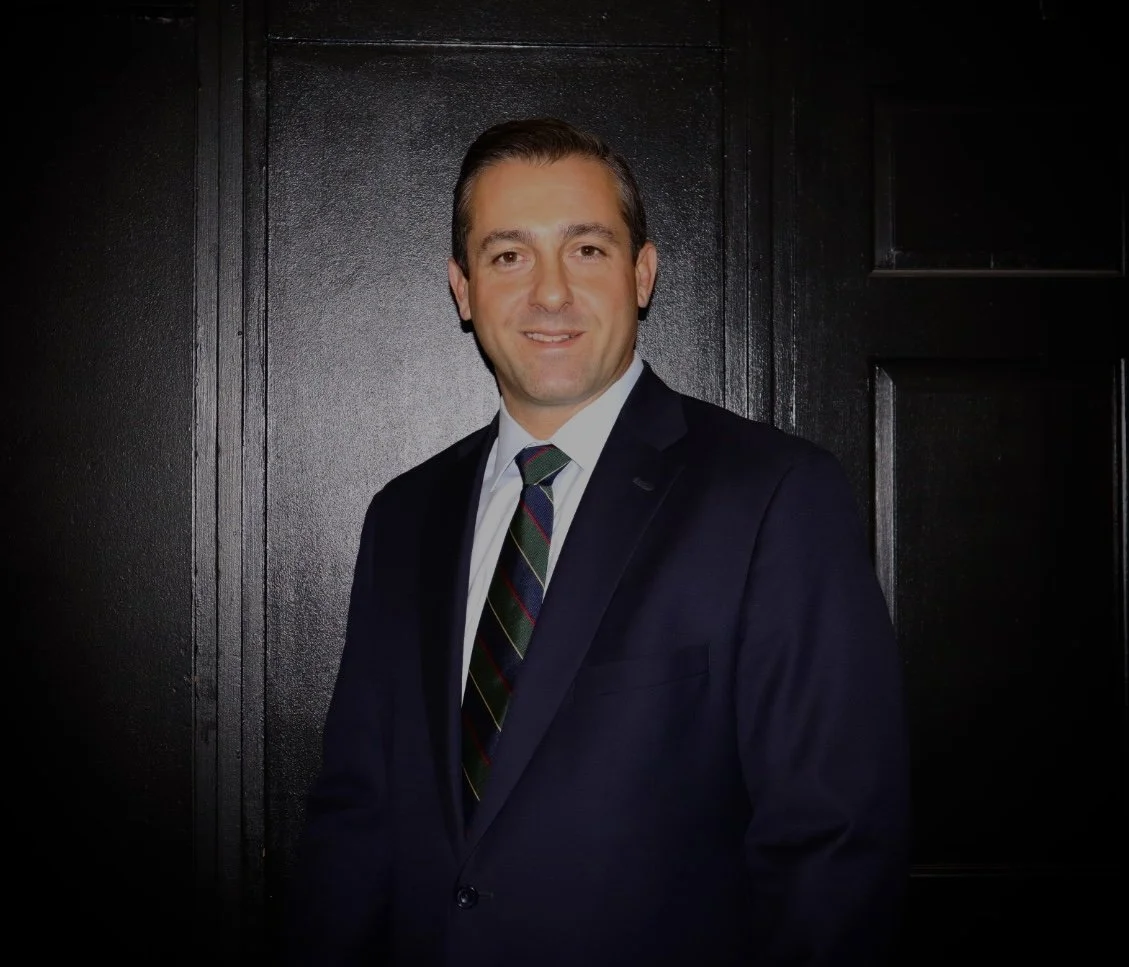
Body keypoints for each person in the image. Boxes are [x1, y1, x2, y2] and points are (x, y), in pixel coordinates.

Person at [286, 117, 911, 965]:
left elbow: (832, 846)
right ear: (462, 287)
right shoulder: (403, 516)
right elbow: (355, 816)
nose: (550, 293)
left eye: (585, 250)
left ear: (641, 273)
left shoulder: (772, 496)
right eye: (509, 255)